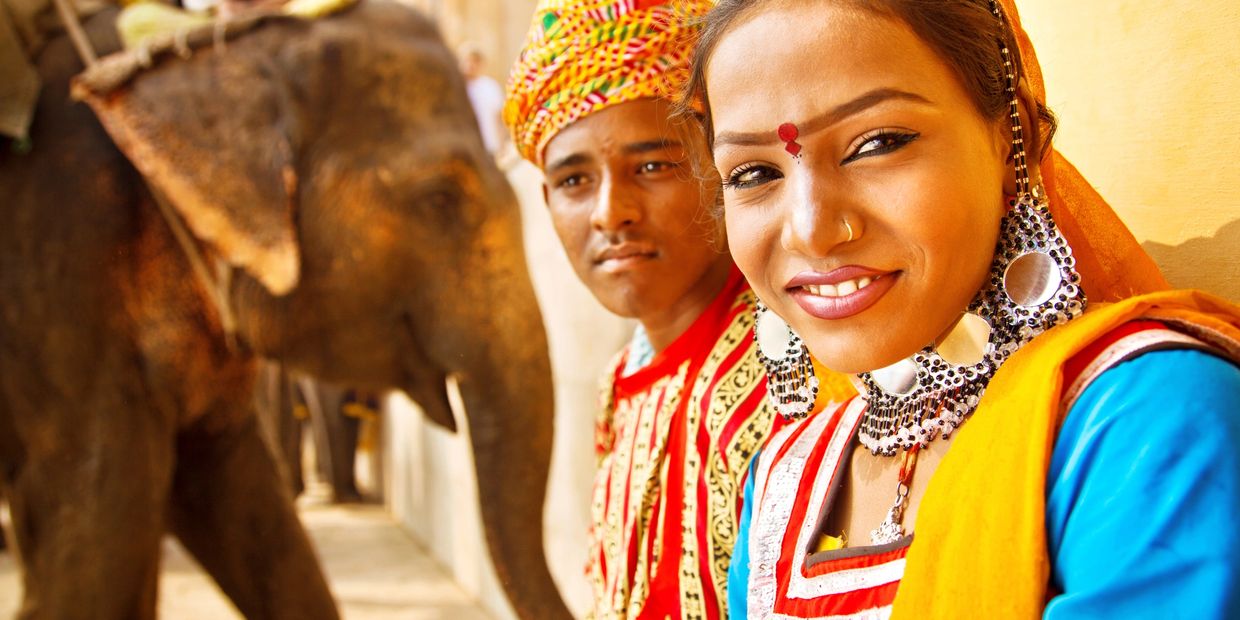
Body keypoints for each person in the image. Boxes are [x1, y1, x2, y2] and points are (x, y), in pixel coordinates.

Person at [678, 0, 1240, 618]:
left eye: (878, 143)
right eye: (754, 172)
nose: (811, 230)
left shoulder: (1143, 418)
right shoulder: (782, 480)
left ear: (1010, 140)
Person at [502, 1, 853, 617]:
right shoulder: (623, 383)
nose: (611, 212)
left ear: (721, 167)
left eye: (654, 165)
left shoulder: (801, 371)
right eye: (575, 182)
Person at [459, 42, 505, 156]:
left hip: (490, 148)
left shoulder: (490, 86)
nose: (470, 65)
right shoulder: (457, 88)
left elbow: (499, 118)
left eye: (474, 61)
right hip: (465, 149)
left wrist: (502, 144)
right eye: (467, 60)